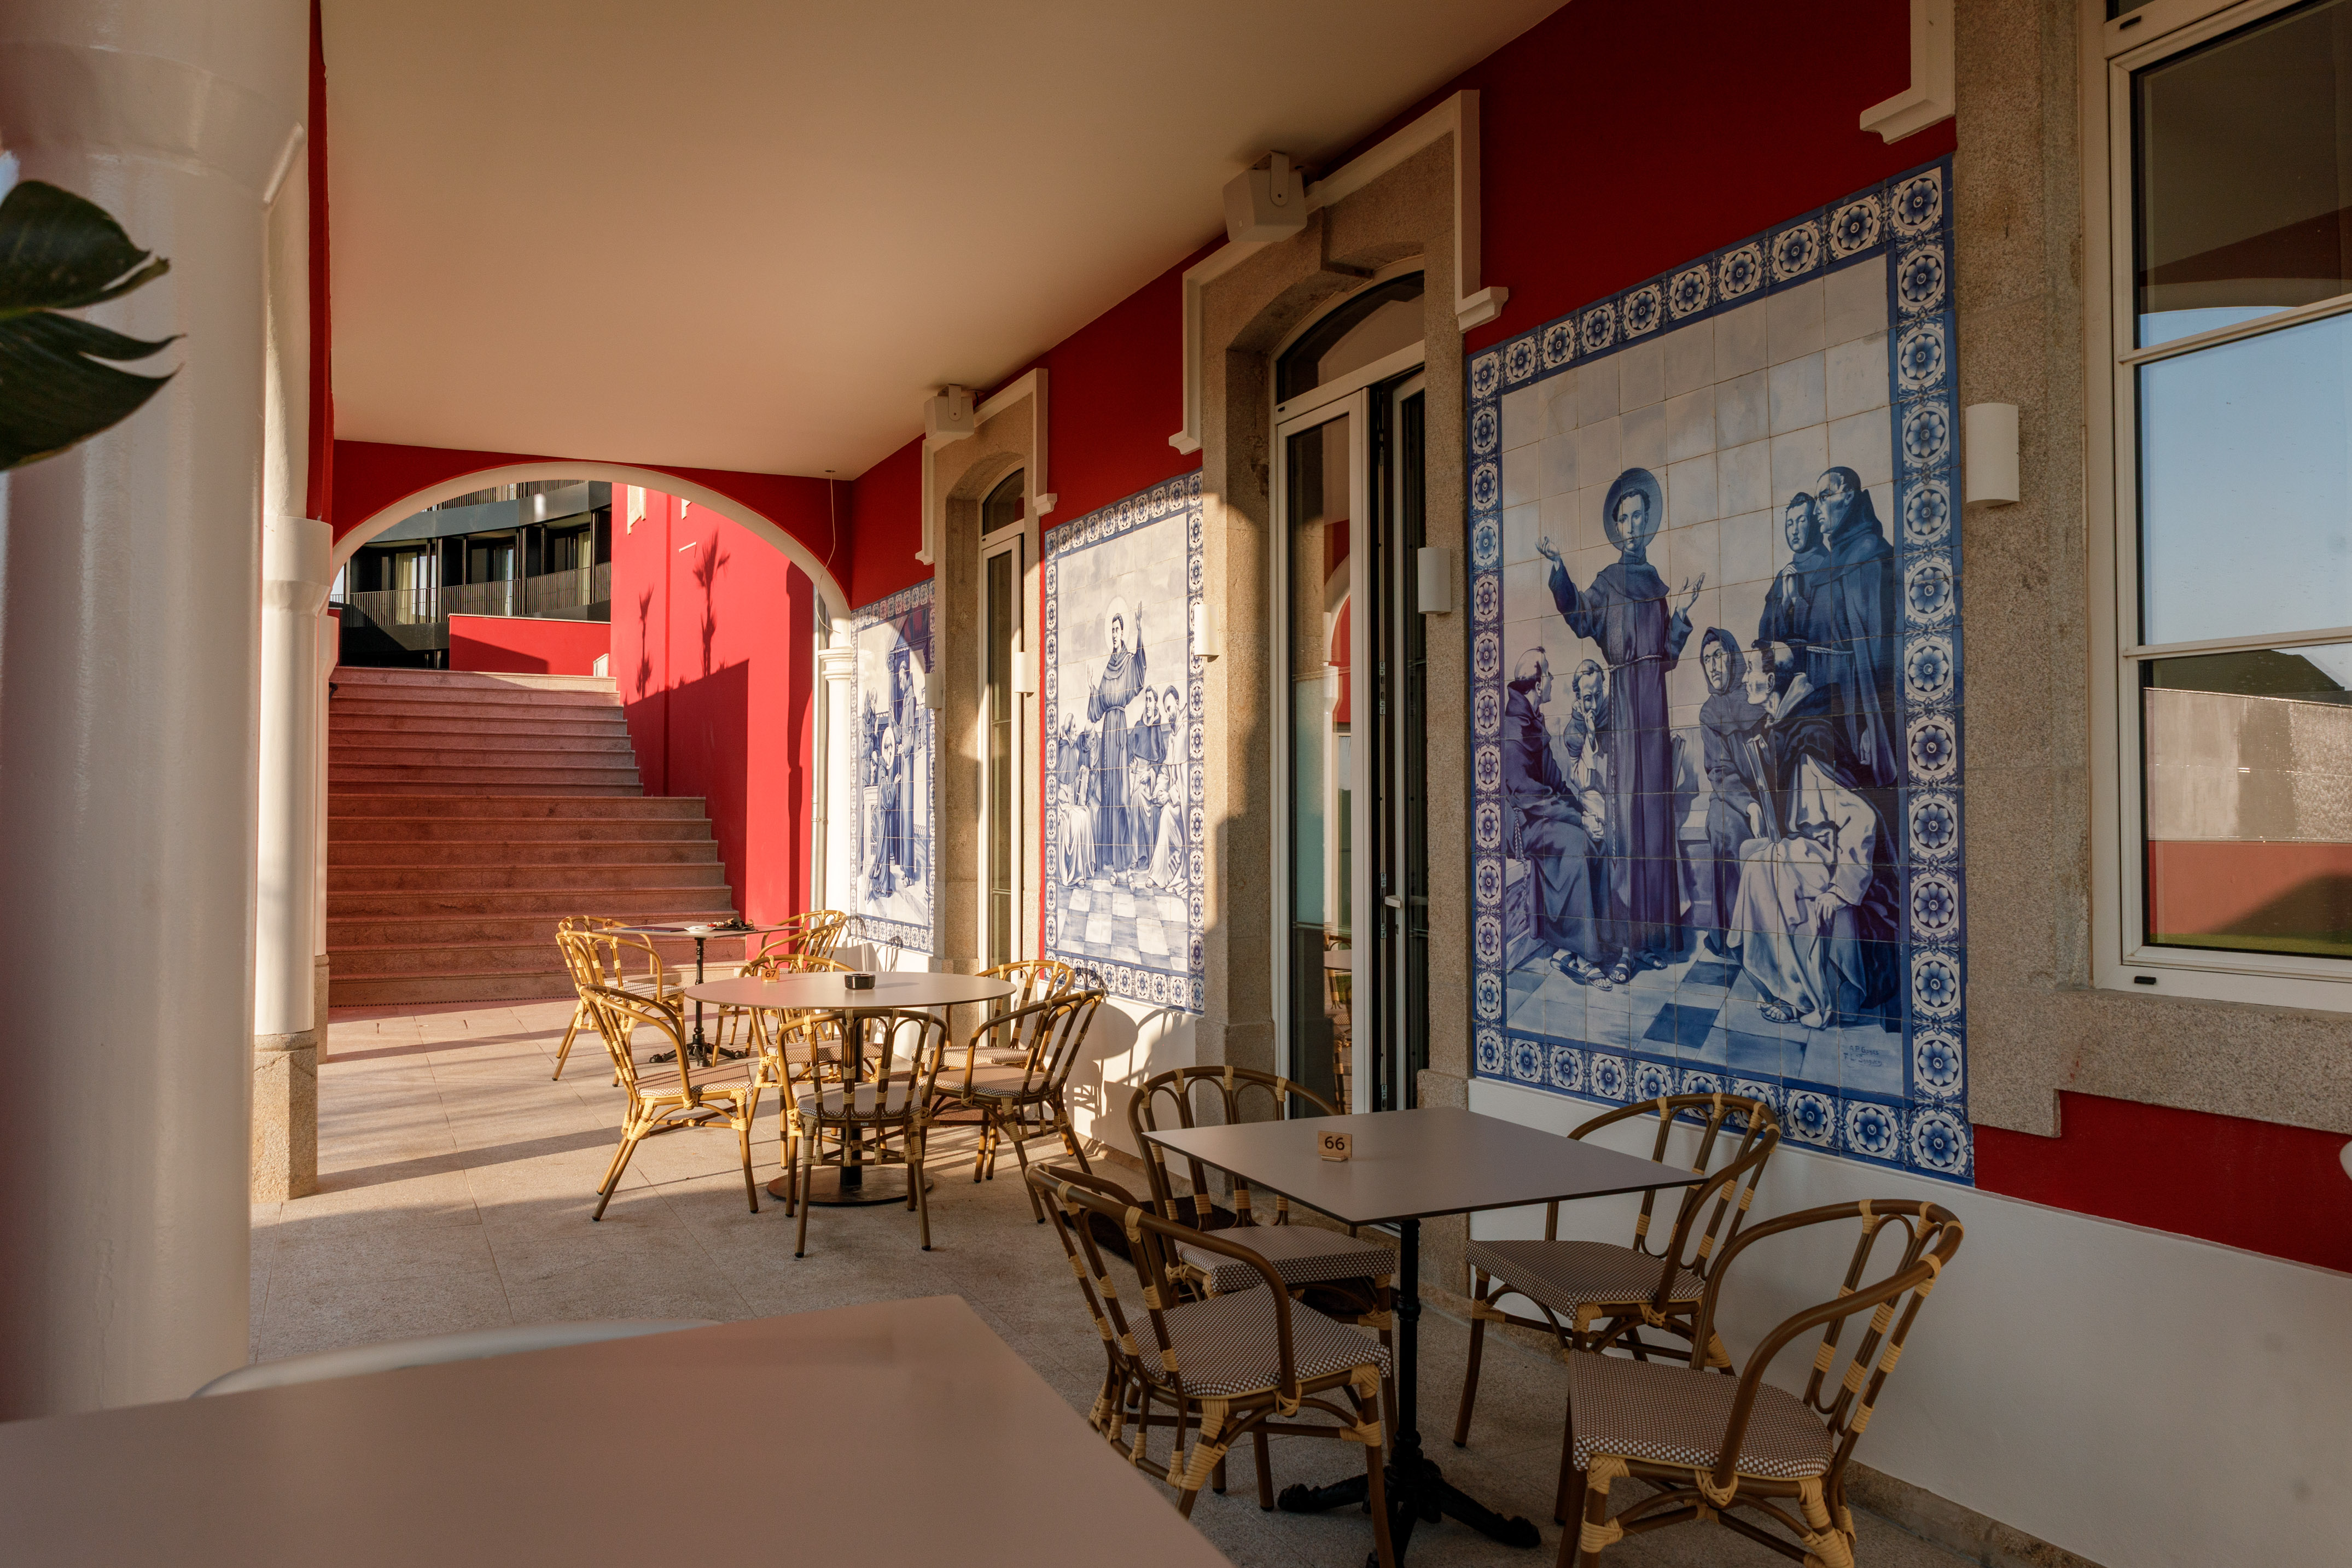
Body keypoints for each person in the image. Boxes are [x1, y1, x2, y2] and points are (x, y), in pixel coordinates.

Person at [1537, 467, 1703, 981]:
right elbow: (1582, 616)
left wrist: (1683, 616)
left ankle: (1654, 937)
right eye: (1624, 518)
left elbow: (1668, 658)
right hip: (1627, 705)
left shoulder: (1656, 586)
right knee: (1629, 823)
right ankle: (1626, 946)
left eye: (1639, 516)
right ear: (1616, 525)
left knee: (1655, 826)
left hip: (1655, 707)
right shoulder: (1608, 582)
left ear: (1649, 522)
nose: (1632, 525)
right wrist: (1560, 570)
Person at [1726, 640, 1899, 1029]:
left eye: (1751, 672)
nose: (1745, 679)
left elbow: (1863, 819)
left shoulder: (1808, 738)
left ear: (1770, 680)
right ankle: (1779, 984)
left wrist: (1841, 888)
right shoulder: (1779, 727)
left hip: (1830, 855)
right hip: (1803, 848)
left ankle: (1805, 997)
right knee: (1754, 855)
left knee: (1767, 867)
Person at [1503, 648, 1611, 986]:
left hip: (1541, 817)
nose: (1552, 680)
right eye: (1547, 675)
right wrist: (1578, 821)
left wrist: (1583, 810)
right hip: (1522, 826)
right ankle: (1580, 954)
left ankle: (1578, 945)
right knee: (1578, 843)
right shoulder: (1514, 727)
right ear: (1537, 684)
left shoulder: (1534, 719)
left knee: (1598, 838)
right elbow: (1527, 794)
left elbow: (1554, 782)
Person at [1804, 467, 1899, 790]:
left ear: (1848, 496)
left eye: (1824, 497)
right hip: (1830, 702)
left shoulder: (1868, 554)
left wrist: (1872, 725)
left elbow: (1875, 652)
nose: (1817, 508)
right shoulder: (1839, 556)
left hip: (1854, 708)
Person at [1696, 628, 1766, 958]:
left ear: (1733, 657)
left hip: (1771, 792)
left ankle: (1766, 936)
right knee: (1725, 828)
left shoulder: (1758, 695)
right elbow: (1721, 771)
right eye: (1706, 659)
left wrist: (1764, 801)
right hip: (1731, 794)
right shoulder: (1709, 713)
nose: (1713, 665)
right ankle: (1735, 939)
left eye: (1718, 655)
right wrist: (1750, 806)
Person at [1088, 596, 1149, 877]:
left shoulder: (1127, 662)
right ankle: (1112, 864)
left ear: (1123, 633)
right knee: (1110, 796)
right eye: (1111, 631)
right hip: (1106, 732)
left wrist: (1140, 632)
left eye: (1117, 630)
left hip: (1120, 731)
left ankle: (1125, 864)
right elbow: (1096, 709)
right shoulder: (1107, 669)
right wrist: (1091, 688)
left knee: (1123, 796)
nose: (1114, 635)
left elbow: (1140, 673)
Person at [1760, 492, 1829, 670]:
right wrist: (1785, 602)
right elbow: (1765, 635)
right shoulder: (1785, 574)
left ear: (1814, 523)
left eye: (1801, 521)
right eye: (1790, 524)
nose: (1794, 530)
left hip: (1817, 670)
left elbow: (1823, 632)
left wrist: (1796, 598)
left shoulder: (1828, 566)